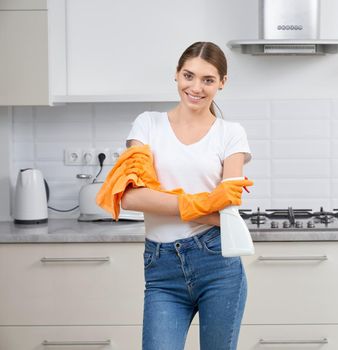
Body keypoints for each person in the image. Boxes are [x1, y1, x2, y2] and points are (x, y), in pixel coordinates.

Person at [121, 41, 253, 350]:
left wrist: (165, 200)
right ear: (176, 75)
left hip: (218, 266)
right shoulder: (147, 125)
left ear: (222, 82)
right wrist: (205, 206)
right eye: (188, 76)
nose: (196, 87)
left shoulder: (230, 133)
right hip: (161, 268)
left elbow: (229, 204)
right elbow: (129, 197)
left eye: (208, 80)